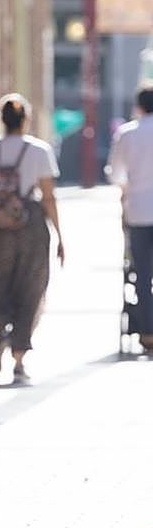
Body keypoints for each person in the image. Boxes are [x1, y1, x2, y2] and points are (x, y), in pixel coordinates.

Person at [0, 93, 64, 382]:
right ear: (26, 119)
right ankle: (19, 357)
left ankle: (1, 331)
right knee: (31, 287)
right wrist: (61, 236)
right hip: (31, 226)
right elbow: (49, 197)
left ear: (0, 119)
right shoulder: (39, 150)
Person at [107, 86, 153, 351]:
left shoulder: (127, 134)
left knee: (142, 274)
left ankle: (147, 331)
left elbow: (116, 175)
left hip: (137, 212)